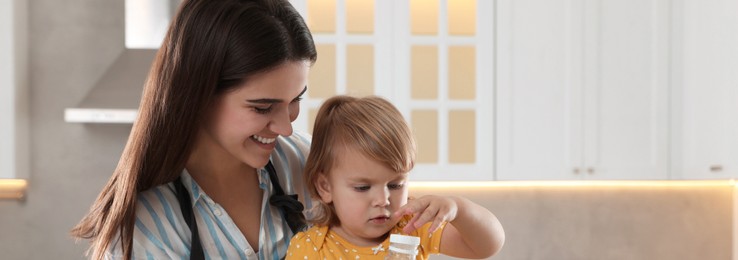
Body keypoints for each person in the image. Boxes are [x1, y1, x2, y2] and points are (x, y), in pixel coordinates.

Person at [71, 0, 317, 259]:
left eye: (295, 100)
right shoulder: (146, 228)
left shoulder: (310, 163)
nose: (286, 128)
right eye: (263, 108)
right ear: (199, 95)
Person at [286, 95, 505, 260]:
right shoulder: (311, 249)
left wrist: (458, 209)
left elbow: (487, 245)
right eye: (363, 187)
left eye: (395, 184)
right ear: (325, 187)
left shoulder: (412, 227)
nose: (383, 199)